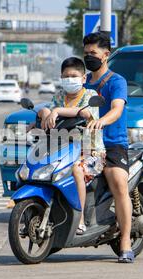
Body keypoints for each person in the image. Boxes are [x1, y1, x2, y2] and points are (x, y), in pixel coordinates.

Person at [38, 57, 106, 235]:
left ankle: (80, 219)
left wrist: (57, 111)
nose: (69, 80)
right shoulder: (59, 97)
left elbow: (84, 113)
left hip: (92, 154)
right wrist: (45, 113)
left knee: (77, 169)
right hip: (63, 152)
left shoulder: (91, 96)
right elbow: (47, 110)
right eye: (65, 76)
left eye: (73, 76)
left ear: (84, 78)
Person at [82, 32, 134, 263]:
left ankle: (125, 241)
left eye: (93, 53)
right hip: (85, 145)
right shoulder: (81, 82)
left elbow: (117, 108)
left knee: (119, 184)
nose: (89, 57)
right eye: (86, 53)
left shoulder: (116, 81)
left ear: (106, 55)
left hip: (113, 144)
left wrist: (103, 120)